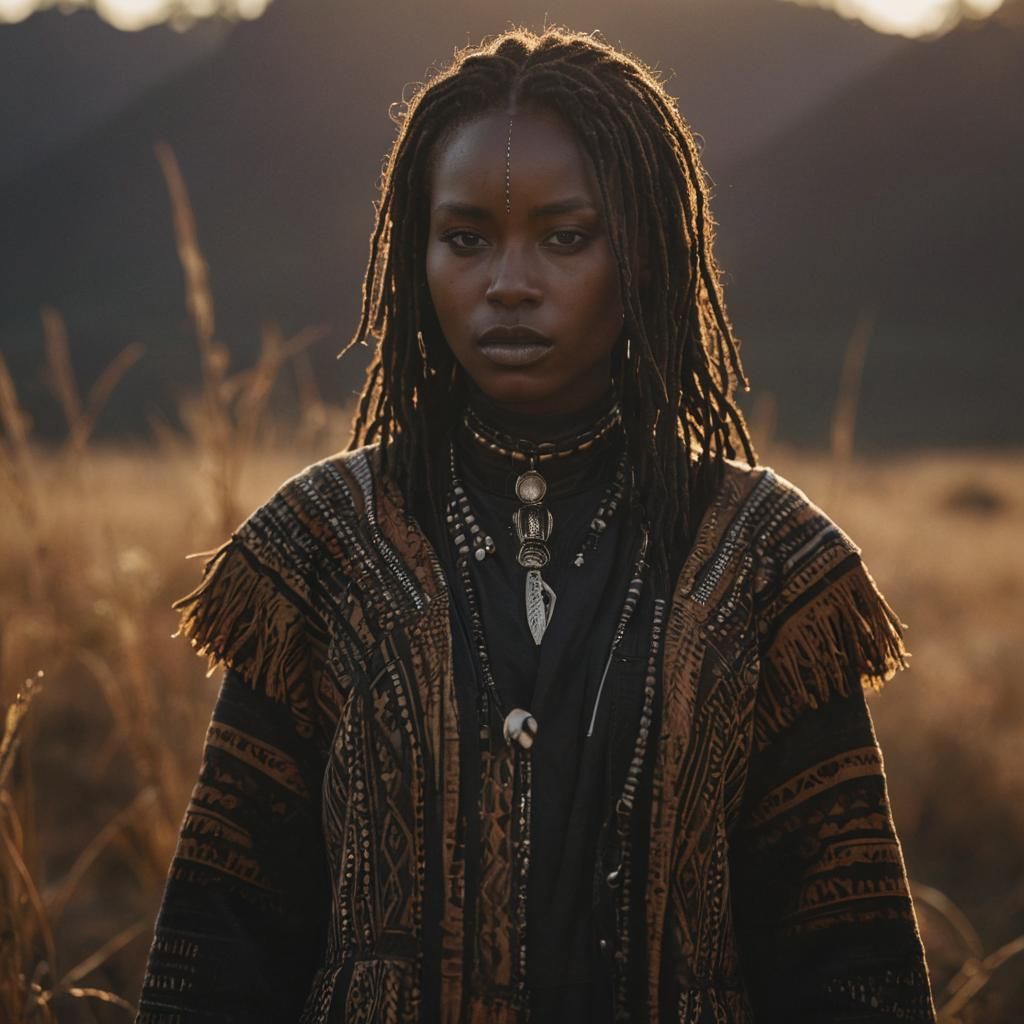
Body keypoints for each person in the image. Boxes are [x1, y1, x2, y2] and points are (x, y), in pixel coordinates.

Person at [136, 27, 936, 1024]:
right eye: (465, 237)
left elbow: (848, 955)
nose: (507, 282)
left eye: (565, 237)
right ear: (417, 253)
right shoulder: (321, 544)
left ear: (642, 249)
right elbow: (222, 937)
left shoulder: (762, 558)